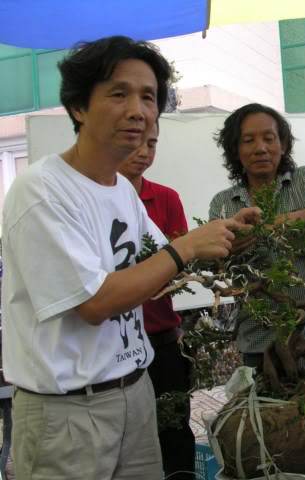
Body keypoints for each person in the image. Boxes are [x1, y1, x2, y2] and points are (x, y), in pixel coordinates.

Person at [1, 36, 257, 480]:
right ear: (79, 107)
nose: (138, 110)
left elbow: (161, 270)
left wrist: (234, 238)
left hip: (136, 391)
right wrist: (187, 247)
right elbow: (95, 303)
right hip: (67, 413)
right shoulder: (42, 191)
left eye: (149, 97)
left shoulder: (122, 190)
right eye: (118, 93)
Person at [209, 103, 305, 370]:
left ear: (284, 144)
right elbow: (215, 261)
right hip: (259, 339)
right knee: (266, 409)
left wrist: (276, 223)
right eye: (248, 140)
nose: (261, 148)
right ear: (235, 150)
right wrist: (228, 251)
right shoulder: (224, 204)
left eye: (269, 138)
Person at [118, 122, 194, 479]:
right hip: (116, 345)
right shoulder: (96, 198)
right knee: (127, 437)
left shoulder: (165, 197)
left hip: (161, 337)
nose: (144, 151)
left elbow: (181, 263)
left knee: (174, 428)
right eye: (135, 142)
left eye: (152, 143)